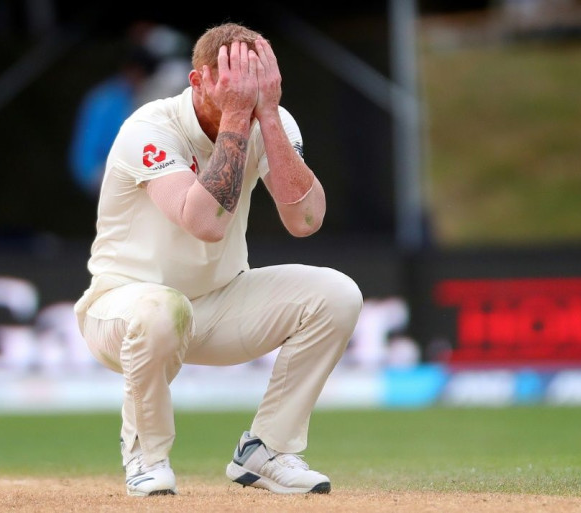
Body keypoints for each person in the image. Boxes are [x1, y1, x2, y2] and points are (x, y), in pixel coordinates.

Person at [73, 22, 363, 497]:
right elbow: (204, 222)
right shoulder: (147, 128)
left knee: (336, 295)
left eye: (254, 83)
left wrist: (266, 116)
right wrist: (235, 118)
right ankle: (147, 459)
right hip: (121, 309)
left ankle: (266, 450)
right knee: (161, 308)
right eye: (232, 85)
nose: (243, 97)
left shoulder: (272, 120)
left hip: (217, 303)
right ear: (198, 81)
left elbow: (306, 220)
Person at [68, 23, 191, 196]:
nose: (140, 81)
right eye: (139, 75)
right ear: (130, 70)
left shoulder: (142, 94)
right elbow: (89, 157)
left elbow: (182, 48)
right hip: (101, 174)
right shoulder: (106, 100)